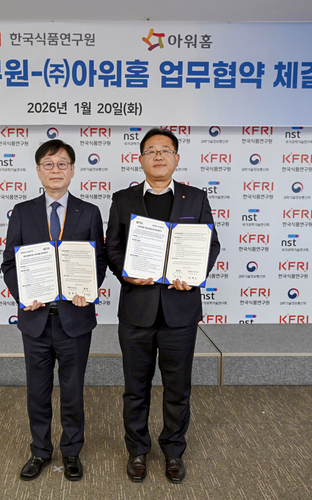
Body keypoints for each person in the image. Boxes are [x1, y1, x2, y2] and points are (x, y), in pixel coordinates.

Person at [105, 128, 220, 484]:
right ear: (140, 160)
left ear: (176, 158)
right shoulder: (123, 199)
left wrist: (194, 274)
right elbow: (112, 248)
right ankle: (137, 450)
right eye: (151, 151)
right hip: (137, 310)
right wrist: (127, 273)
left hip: (179, 310)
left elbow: (210, 244)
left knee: (178, 388)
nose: (158, 156)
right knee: (135, 388)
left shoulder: (195, 198)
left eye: (165, 150)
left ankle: (173, 451)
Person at [1, 139, 106, 482]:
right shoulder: (22, 211)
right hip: (35, 319)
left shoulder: (89, 212)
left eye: (62, 164)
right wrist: (24, 295)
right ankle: (40, 451)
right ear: (38, 171)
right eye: (49, 164)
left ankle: (72, 451)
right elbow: (10, 264)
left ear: (72, 170)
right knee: (38, 391)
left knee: (73, 391)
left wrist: (88, 290)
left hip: (74, 319)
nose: (56, 170)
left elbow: (98, 261)